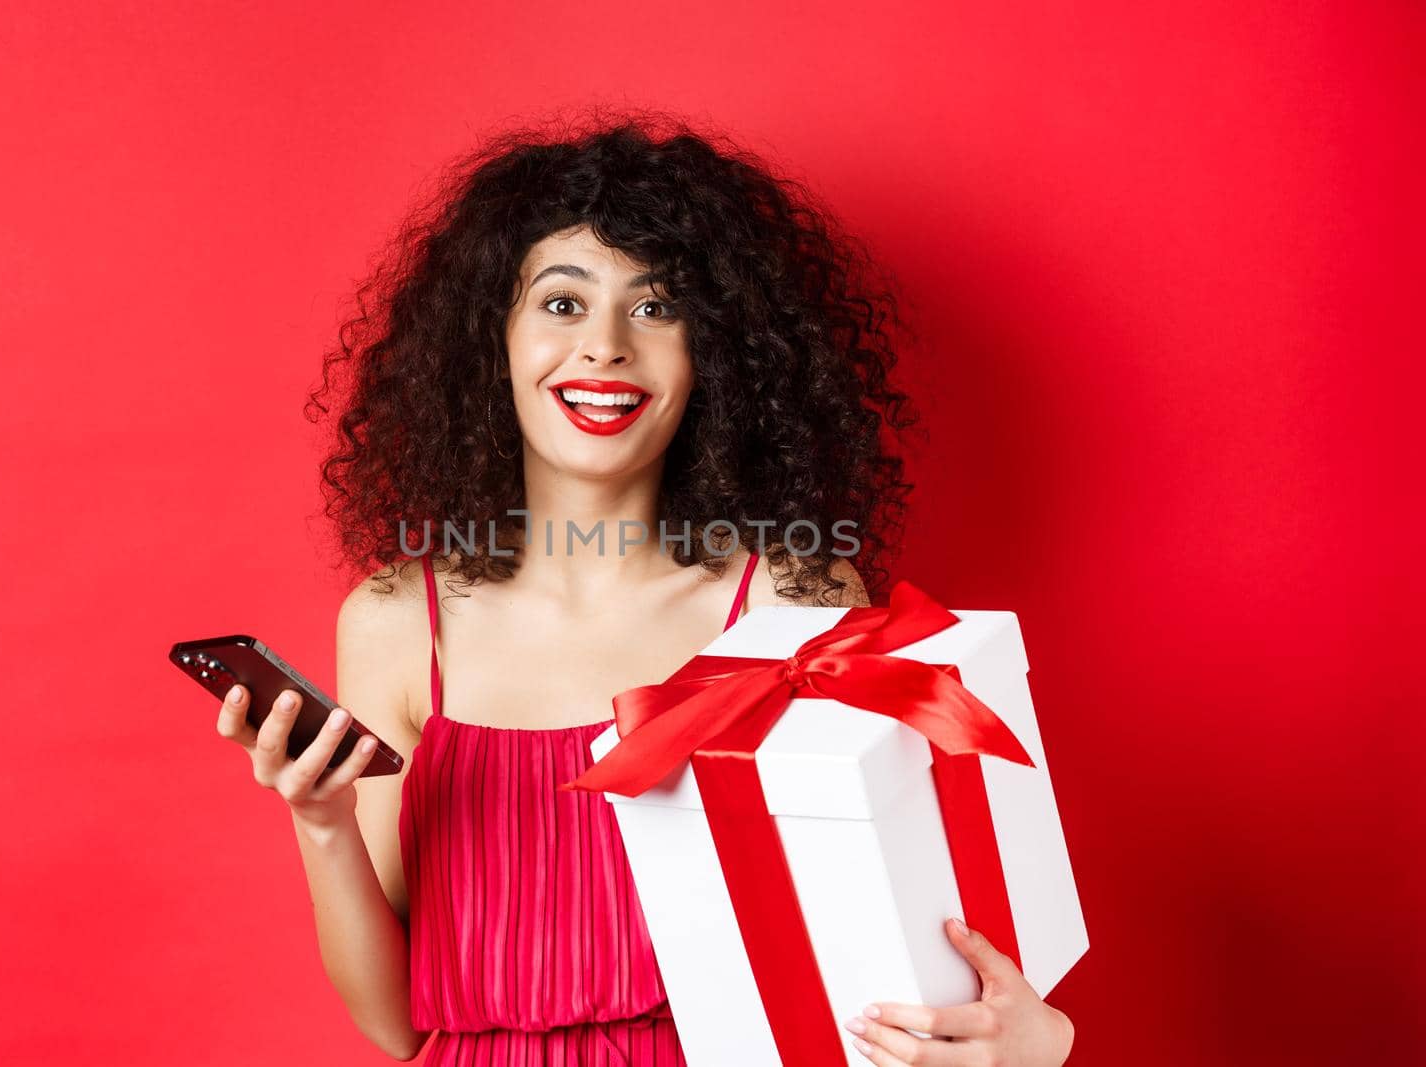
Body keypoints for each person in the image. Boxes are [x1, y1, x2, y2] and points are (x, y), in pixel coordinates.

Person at [215, 113, 1075, 1065]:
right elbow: (395, 1024)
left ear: (716, 357)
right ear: (489, 340)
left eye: (658, 307)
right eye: (561, 303)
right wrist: (320, 817)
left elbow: (907, 914)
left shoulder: (791, 601)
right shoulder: (395, 625)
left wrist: (1036, 1036)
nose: (607, 347)